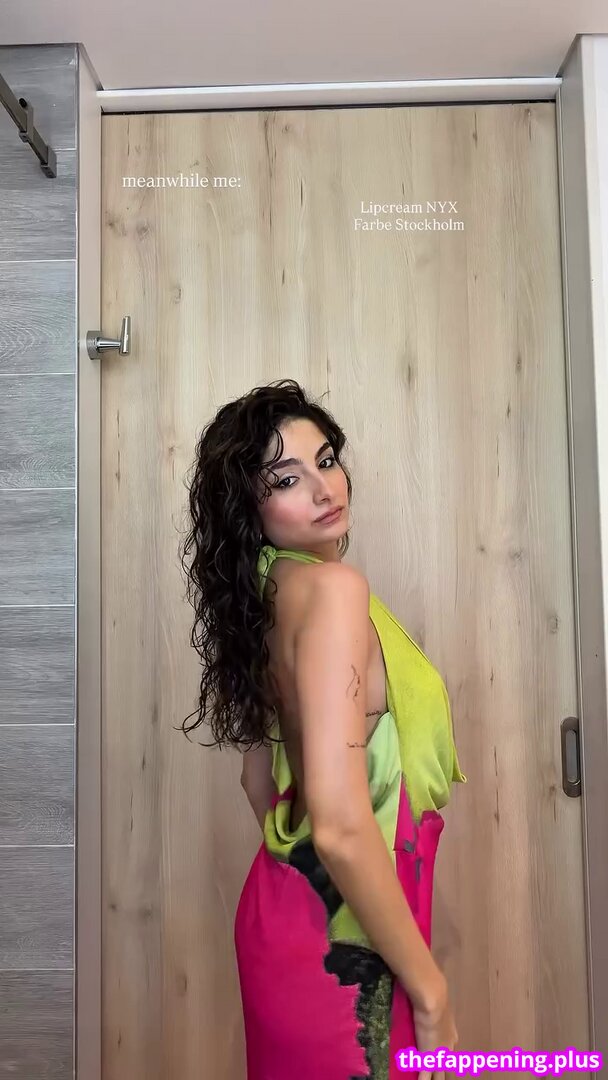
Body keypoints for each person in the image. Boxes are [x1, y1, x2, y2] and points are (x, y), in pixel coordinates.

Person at [180, 378, 467, 1080]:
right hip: (345, 949)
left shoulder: (267, 600)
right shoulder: (335, 592)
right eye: (286, 479)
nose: (322, 487)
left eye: (326, 459)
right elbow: (338, 828)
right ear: (250, 508)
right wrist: (431, 994)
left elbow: (258, 780)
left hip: (289, 919)